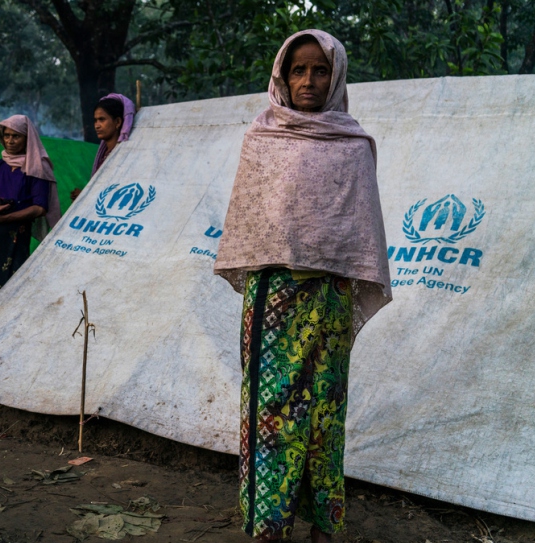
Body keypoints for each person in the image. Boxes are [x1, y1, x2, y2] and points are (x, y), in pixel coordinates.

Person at [213, 30, 392, 542]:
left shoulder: (354, 145)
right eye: (298, 70)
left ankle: (322, 523)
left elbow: (359, 233)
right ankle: (270, 523)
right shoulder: (261, 138)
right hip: (272, 296)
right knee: (271, 410)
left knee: (325, 408)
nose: (308, 80)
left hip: (330, 301)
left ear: (335, 76)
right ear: (282, 76)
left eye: (319, 70)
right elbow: (251, 223)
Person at [0, 115, 57, 306]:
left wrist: (4, 218)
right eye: (6, 135)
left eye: (16, 136)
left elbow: (39, 208)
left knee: (11, 287)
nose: (10, 140)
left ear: (27, 139)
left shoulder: (37, 167)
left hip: (16, 235)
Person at [90, 93, 135, 178]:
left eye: (102, 119)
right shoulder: (103, 154)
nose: (97, 125)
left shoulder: (124, 155)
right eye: (95, 120)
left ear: (117, 122)